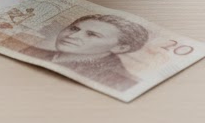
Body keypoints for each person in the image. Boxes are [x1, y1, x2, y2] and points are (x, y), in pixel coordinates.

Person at [18, 14, 149, 92]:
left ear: (120, 48)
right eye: (74, 29)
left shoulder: (116, 80)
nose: (72, 36)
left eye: (92, 34)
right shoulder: (30, 51)